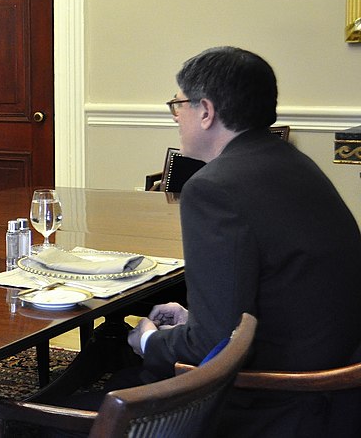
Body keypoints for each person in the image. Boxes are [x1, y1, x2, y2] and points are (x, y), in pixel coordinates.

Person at [58, 47, 361, 437]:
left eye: (177, 104)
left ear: (206, 111)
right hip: (335, 380)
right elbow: (274, 288)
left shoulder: (214, 188)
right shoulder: (292, 162)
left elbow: (212, 345)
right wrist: (191, 319)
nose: (176, 116)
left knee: (66, 414)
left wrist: (151, 341)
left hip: (277, 399)